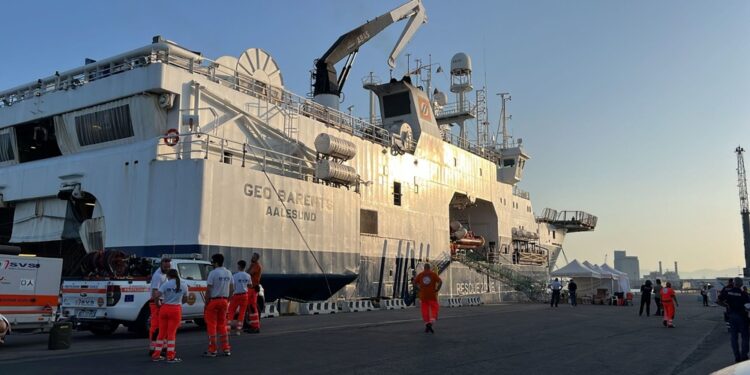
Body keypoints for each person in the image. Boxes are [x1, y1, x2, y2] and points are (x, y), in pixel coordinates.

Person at [151, 269, 187, 363]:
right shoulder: (183, 285)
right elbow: (185, 299)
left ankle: (156, 355)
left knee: (161, 333)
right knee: (171, 334)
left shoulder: (166, 284)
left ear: (169, 276)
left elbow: (156, 295)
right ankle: (170, 356)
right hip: (175, 309)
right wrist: (179, 302)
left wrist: (158, 304)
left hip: (164, 308)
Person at [204, 254, 233, 357]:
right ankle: (226, 349)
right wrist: (228, 299)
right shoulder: (228, 273)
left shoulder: (213, 273)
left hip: (214, 301)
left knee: (212, 325)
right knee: (222, 325)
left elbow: (209, 289)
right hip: (224, 301)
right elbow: (232, 288)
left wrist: (206, 302)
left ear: (215, 262)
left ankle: (213, 350)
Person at [718, 277, 750, 363]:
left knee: (734, 337)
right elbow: (748, 307)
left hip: (731, 316)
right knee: (745, 337)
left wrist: (726, 306)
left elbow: (718, 300)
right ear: (741, 284)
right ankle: (744, 356)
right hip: (742, 317)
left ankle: (737, 357)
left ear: (734, 283)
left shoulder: (728, 292)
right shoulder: (744, 294)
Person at [149, 257, 171, 355]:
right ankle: (153, 348)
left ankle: (163, 346)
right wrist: (158, 304)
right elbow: (155, 292)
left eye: (168, 267)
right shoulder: (158, 276)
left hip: (162, 302)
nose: (167, 268)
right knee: (156, 325)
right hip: (156, 302)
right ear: (161, 264)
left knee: (163, 325)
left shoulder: (164, 274)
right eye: (165, 266)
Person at [413, 263, 442, 333]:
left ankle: (427, 323)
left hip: (423, 296)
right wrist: (437, 289)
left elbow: (414, 282)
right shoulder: (433, 274)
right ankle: (432, 321)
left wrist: (418, 289)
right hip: (432, 296)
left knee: (424, 310)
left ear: (424, 268)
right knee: (435, 308)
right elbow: (440, 282)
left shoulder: (420, 275)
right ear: (429, 268)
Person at [227, 260, 251, 336]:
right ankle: (238, 330)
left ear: (239, 266)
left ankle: (227, 330)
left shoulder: (234, 276)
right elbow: (250, 285)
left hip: (236, 296)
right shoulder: (248, 276)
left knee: (231, 312)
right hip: (244, 296)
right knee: (242, 313)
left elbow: (232, 287)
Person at [244, 253, 262, 334]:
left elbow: (248, 273)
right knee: (250, 308)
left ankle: (256, 326)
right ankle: (253, 325)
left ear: (257, 258)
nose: (252, 258)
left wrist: (250, 267)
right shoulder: (254, 265)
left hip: (253, 288)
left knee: (252, 307)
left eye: (254, 257)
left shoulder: (256, 266)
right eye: (252, 257)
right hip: (251, 288)